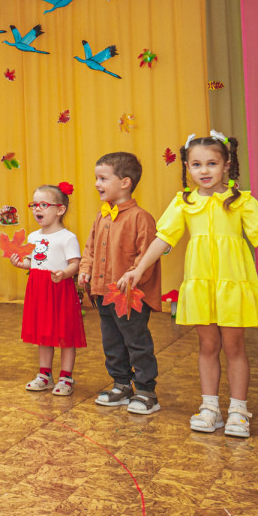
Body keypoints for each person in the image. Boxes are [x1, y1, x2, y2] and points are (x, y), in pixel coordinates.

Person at [121, 132, 258, 438]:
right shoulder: (184, 203)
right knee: (207, 346)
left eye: (212, 163)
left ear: (227, 165)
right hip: (201, 286)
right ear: (187, 167)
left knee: (234, 347)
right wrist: (138, 270)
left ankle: (239, 411)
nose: (204, 170)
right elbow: (163, 239)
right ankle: (210, 408)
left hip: (233, 284)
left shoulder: (242, 202)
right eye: (196, 164)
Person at [79, 152, 162, 414]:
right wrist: (85, 270)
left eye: (103, 178)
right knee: (112, 343)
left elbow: (146, 257)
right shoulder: (101, 216)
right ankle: (121, 385)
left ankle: (146, 391)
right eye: (96, 178)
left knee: (136, 342)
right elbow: (90, 248)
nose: (97, 184)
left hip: (129, 296)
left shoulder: (141, 217)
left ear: (125, 182)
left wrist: (132, 278)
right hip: (103, 293)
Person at [11, 183, 86, 396]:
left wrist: (64, 273)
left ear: (60, 209)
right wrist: (21, 263)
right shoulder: (33, 237)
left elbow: (75, 264)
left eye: (43, 204)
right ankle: (45, 375)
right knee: (43, 334)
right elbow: (32, 262)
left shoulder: (67, 237)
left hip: (60, 290)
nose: (37, 209)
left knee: (65, 334)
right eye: (34, 205)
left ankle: (66, 377)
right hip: (39, 290)